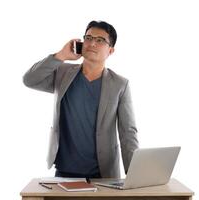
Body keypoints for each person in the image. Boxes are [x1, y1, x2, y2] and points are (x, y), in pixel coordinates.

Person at [23, 20, 138, 178]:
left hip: (103, 174)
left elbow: (128, 132)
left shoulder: (120, 84)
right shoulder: (62, 73)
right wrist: (61, 55)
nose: (92, 43)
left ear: (110, 50)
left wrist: (135, 176)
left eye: (100, 40)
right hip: (64, 172)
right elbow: (30, 80)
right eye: (88, 38)